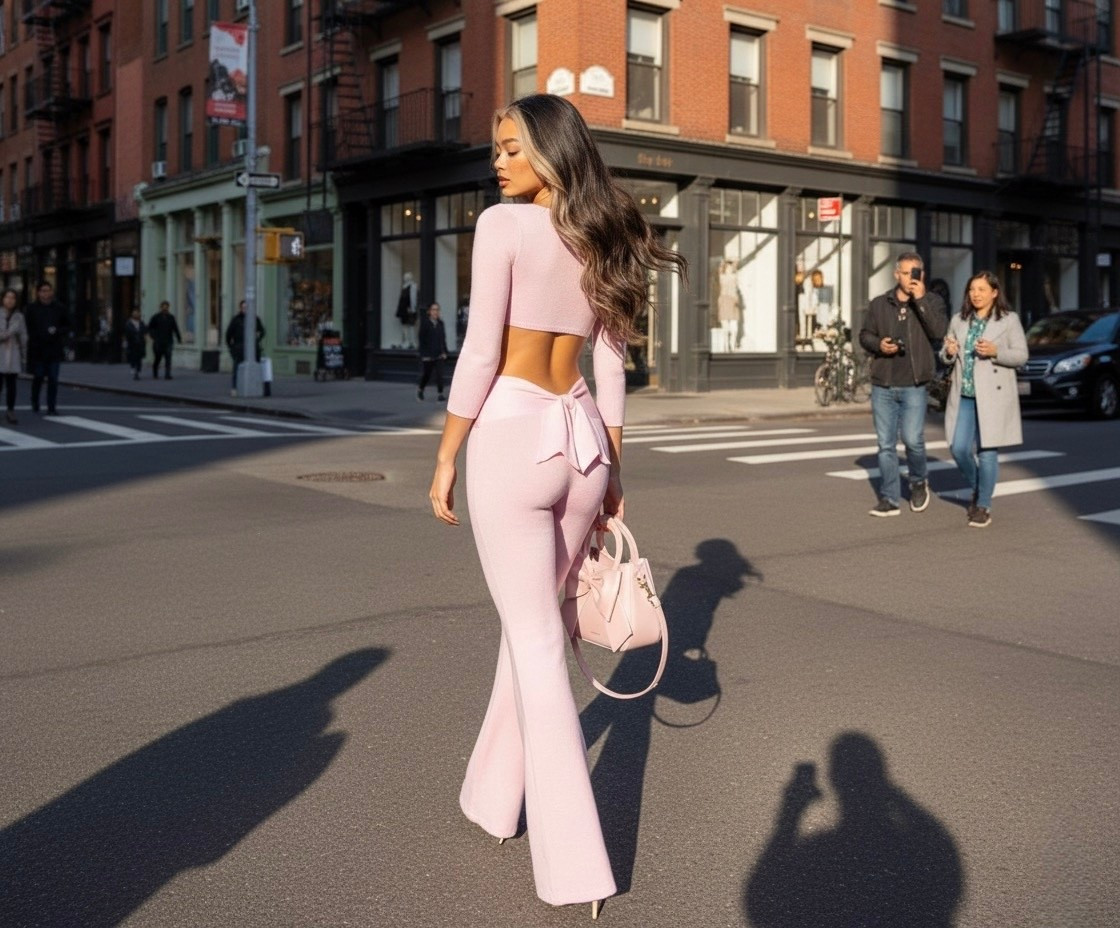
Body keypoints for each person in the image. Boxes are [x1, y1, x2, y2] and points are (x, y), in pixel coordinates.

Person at [428, 93, 685, 919]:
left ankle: (575, 867)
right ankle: (492, 797)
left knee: (537, 642)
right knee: (531, 629)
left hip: (511, 436)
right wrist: (613, 463)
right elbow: (611, 365)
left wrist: (444, 453)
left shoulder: (502, 228)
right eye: (495, 149)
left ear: (548, 152)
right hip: (580, 443)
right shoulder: (601, 234)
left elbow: (479, 349)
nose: (496, 161)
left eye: (509, 148)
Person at [858, 252, 948, 517]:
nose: (912, 278)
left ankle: (919, 481)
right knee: (885, 445)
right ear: (896, 274)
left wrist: (920, 299)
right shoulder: (879, 304)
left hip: (914, 383)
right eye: (907, 273)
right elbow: (864, 335)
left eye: (916, 273)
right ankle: (889, 498)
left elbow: (938, 333)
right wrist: (879, 345)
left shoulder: (932, 301)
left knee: (912, 440)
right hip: (883, 382)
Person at [940, 271, 1029, 528]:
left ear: (994, 292)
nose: (976, 294)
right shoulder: (959, 320)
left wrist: (995, 351)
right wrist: (948, 351)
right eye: (972, 290)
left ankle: (983, 505)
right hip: (964, 393)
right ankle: (980, 487)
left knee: (987, 452)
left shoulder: (1009, 320)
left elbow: (1021, 356)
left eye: (981, 289)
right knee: (958, 448)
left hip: (993, 395)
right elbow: (945, 354)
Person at [25, 281, 70, 416]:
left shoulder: (59, 308)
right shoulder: (31, 309)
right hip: (38, 349)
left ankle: (51, 406)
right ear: (38, 293)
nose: (46, 294)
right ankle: (35, 400)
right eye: (43, 291)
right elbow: (28, 328)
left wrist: (57, 330)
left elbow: (68, 325)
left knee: (53, 379)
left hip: (54, 349)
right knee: (38, 377)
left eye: (48, 291)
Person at [225, 299, 265, 395]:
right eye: (244, 308)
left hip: (254, 349)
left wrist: (257, 340)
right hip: (239, 349)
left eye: (247, 307)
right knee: (237, 369)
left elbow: (262, 331)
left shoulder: (255, 319)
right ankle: (235, 388)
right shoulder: (236, 320)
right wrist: (232, 347)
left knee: (256, 367)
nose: (245, 309)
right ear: (241, 308)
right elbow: (228, 335)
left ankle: (256, 386)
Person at [0, 288, 27, 425]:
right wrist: (8, 333)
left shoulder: (19, 317)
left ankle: (11, 410)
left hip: (13, 354)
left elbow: (23, 337)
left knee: (12, 385)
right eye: (7, 297)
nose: (10, 300)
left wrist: (24, 356)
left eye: (13, 298)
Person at [416, 301, 448, 402]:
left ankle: (440, 394)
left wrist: (444, 352)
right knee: (427, 375)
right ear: (429, 312)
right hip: (428, 355)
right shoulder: (425, 324)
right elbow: (421, 340)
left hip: (438, 354)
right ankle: (420, 390)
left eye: (437, 310)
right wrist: (424, 355)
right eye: (433, 310)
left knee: (440, 374)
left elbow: (443, 339)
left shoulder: (441, 324)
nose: (435, 312)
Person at [148, 300, 182, 379]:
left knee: (168, 357)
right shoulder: (156, 317)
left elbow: (175, 328)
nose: (165, 309)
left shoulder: (171, 317)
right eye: (164, 307)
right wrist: (153, 336)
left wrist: (179, 338)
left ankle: (167, 374)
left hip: (168, 341)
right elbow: (150, 328)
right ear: (161, 308)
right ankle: (155, 372)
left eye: (166, 307)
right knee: (158, 358)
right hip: (158, 342)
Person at [717, 259, 740, 352]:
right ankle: (726, 346)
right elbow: (720, 267)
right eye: (728, 268)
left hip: (732, 300)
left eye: (731, 268)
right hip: (724, 300)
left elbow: (736, 262)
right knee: (725, 326)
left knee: (734, 326)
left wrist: (730, 261)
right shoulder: (722, 277)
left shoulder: (735, 277)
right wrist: (725, 261)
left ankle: (732, 345)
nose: (729, 269)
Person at [123, 308, 147, 381]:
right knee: (133, 356)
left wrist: (145, 338)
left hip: (140, 343)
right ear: (132, 314)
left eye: (137, 313)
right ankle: (133, 368)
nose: (136, 314)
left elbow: (144, 331)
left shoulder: (141, 323)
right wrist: (126, 342)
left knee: (139, 357)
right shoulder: (128, 324)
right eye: (135, 313)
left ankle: (138, 370)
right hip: (132, 343)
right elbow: (126, 334)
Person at [395, 272, 418, 349]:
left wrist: (412, 309)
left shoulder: (412, 286)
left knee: (411, 325)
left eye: (406, 277)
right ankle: (406, 341)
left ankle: (412, 342)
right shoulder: (404, 287)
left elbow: (413, 299)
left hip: (409, 309)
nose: (405, 278)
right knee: (404, 326)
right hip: (403, 309)